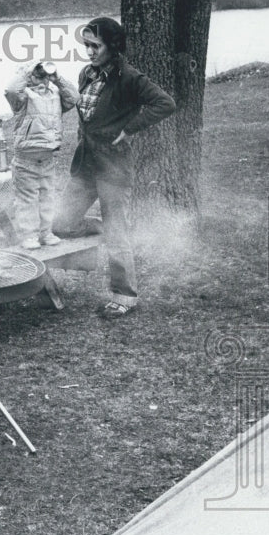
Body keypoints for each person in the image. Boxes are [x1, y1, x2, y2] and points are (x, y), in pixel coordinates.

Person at [52, 16, 176, 319]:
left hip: (113, 167)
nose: (90, 51)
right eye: (86, 45)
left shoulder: (129, 77)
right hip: (85, 164)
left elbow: (165, 103)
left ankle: (124, 296)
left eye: (96, 45)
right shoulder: (86, 74)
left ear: (113, 45)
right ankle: (104, 225)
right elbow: (86, 112)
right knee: (61, 225)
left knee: (117, 236)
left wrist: (130, 128)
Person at [3, 60, 79, 250]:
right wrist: (28, 72)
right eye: (38, 77)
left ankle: (45, 232)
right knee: (27, 199)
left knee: (47, 197)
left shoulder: (54, 94)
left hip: (47, 157)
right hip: (25, 159)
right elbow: (11, 90)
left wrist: (57, 78)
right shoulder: (22, 98)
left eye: (45, 77)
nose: (42, 81)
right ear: (28, 78)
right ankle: (29, 236)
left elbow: (74, 97)